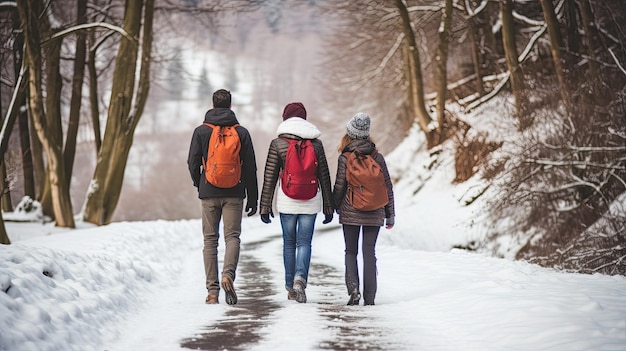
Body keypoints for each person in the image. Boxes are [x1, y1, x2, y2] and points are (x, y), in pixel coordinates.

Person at [187, 89, 258, 305]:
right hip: (235, 192)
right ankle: (228, 275)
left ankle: (212, 291)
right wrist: (252, 198)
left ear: (212, 105)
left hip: (208, 191)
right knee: (232, 237)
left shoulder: (201, 131)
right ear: (230, 106)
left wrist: (199, 182)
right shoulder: (242, 132)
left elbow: (192, 162)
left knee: (210, 240)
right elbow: (250, 168)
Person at [259, 102, 334, 303]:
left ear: (286, 118)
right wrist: (329, 205)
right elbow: (324, 176)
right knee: (304, 243)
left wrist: (264, 206)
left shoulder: (278, 143)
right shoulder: (316, 144)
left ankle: (290, 286)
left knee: (289, 243)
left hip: (287, 200)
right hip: (311, 199)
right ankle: (301, 279)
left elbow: (270, 177)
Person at [332, 112, 395, 306]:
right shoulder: (378, 157)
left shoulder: (345, 158)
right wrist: (390, 214)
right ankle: (370, 298)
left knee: (350, 251)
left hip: (350, 211)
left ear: (350, 134)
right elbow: (387, 186)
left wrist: (334, 206)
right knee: (369, 252)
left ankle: (354, 290)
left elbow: (340, 186)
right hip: (375, 210)